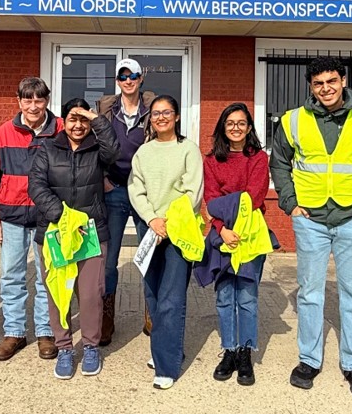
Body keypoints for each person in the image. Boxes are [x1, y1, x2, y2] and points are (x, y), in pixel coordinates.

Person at [270, 55, 352, 396]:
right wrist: (290, 204)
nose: (325, 88)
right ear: (311, 87)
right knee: (310, 293)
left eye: (331, 81)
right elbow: (279, 164)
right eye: (318, 83)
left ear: (343, 80)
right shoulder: (294, 120)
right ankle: (309, 359)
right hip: (310, 220)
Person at [27, 98, 120, 379]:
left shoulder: (97, 149)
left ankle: (91, 346)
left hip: (91, 233)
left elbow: (114, 150)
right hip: (56, 232)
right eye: (72, 119)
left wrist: (95, 117)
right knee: (58, 292)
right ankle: (64, 347)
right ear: (62, 122)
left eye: (83, 120)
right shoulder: (47, 148)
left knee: (91, 294)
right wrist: (63, 217)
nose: (78, 125)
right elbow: (36, 185)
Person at [0, 77, 60, 362]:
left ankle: (46, 332)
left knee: (47, 278)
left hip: (48, 219)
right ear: (19, 101)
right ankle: (14, 332)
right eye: (28, 100)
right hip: (11, 218)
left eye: (39, 100)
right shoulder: (3, 134)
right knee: (12, 277)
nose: (34, 106)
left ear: (47, 100)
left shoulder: (60, 130)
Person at [128, 95, 203, 390]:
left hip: (178, 231)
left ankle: (166, 366)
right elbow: (136, 189)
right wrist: (152, 220)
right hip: (151, 229)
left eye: (166, 112)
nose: (160, 118)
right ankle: (167, 347)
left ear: (177, 116)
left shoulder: (188, 150)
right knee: (153, 296)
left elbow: (192, 192)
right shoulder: (143, 153)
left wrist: (169, 223)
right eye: (156, 113)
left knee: (172, 299)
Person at [201, 102, 270, 386]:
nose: (236, 128)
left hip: (250, 236)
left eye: (241, 123)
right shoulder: (211, 160)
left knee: (248, 298)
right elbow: (211, 199)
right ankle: (229, 350)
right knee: (225, 297)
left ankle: (246, 352)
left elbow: (252, 198)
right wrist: (221, 229)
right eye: (230, 123)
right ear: (222, 127)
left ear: (249, 128)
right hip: (222, 237)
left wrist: (230, 222)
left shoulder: (258, 159)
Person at [96, 58, 156, 344]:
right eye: (123, 76)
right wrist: (103, 178)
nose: (128, 80)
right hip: (115, 190)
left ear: (141, 79)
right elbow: (92, 147)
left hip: (144, 193)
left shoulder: (153, 110)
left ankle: (151, 313)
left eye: (133, 75)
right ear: (117, 81)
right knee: (108, 260)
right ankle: (107, 317)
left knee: (149, 254)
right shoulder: (106, 111)